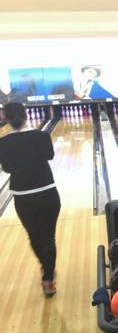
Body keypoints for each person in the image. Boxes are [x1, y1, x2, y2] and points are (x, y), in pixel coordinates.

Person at [0, 102, 61, 296]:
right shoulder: (42, 136)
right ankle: (48, 279)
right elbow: (50, 155)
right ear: (26, 115)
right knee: (48, 236)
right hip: (47, 192)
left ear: (5, 118)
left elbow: (7, 168)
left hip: (23, 197)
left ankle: (45, 265)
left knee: (34, 236)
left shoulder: (2, 143)